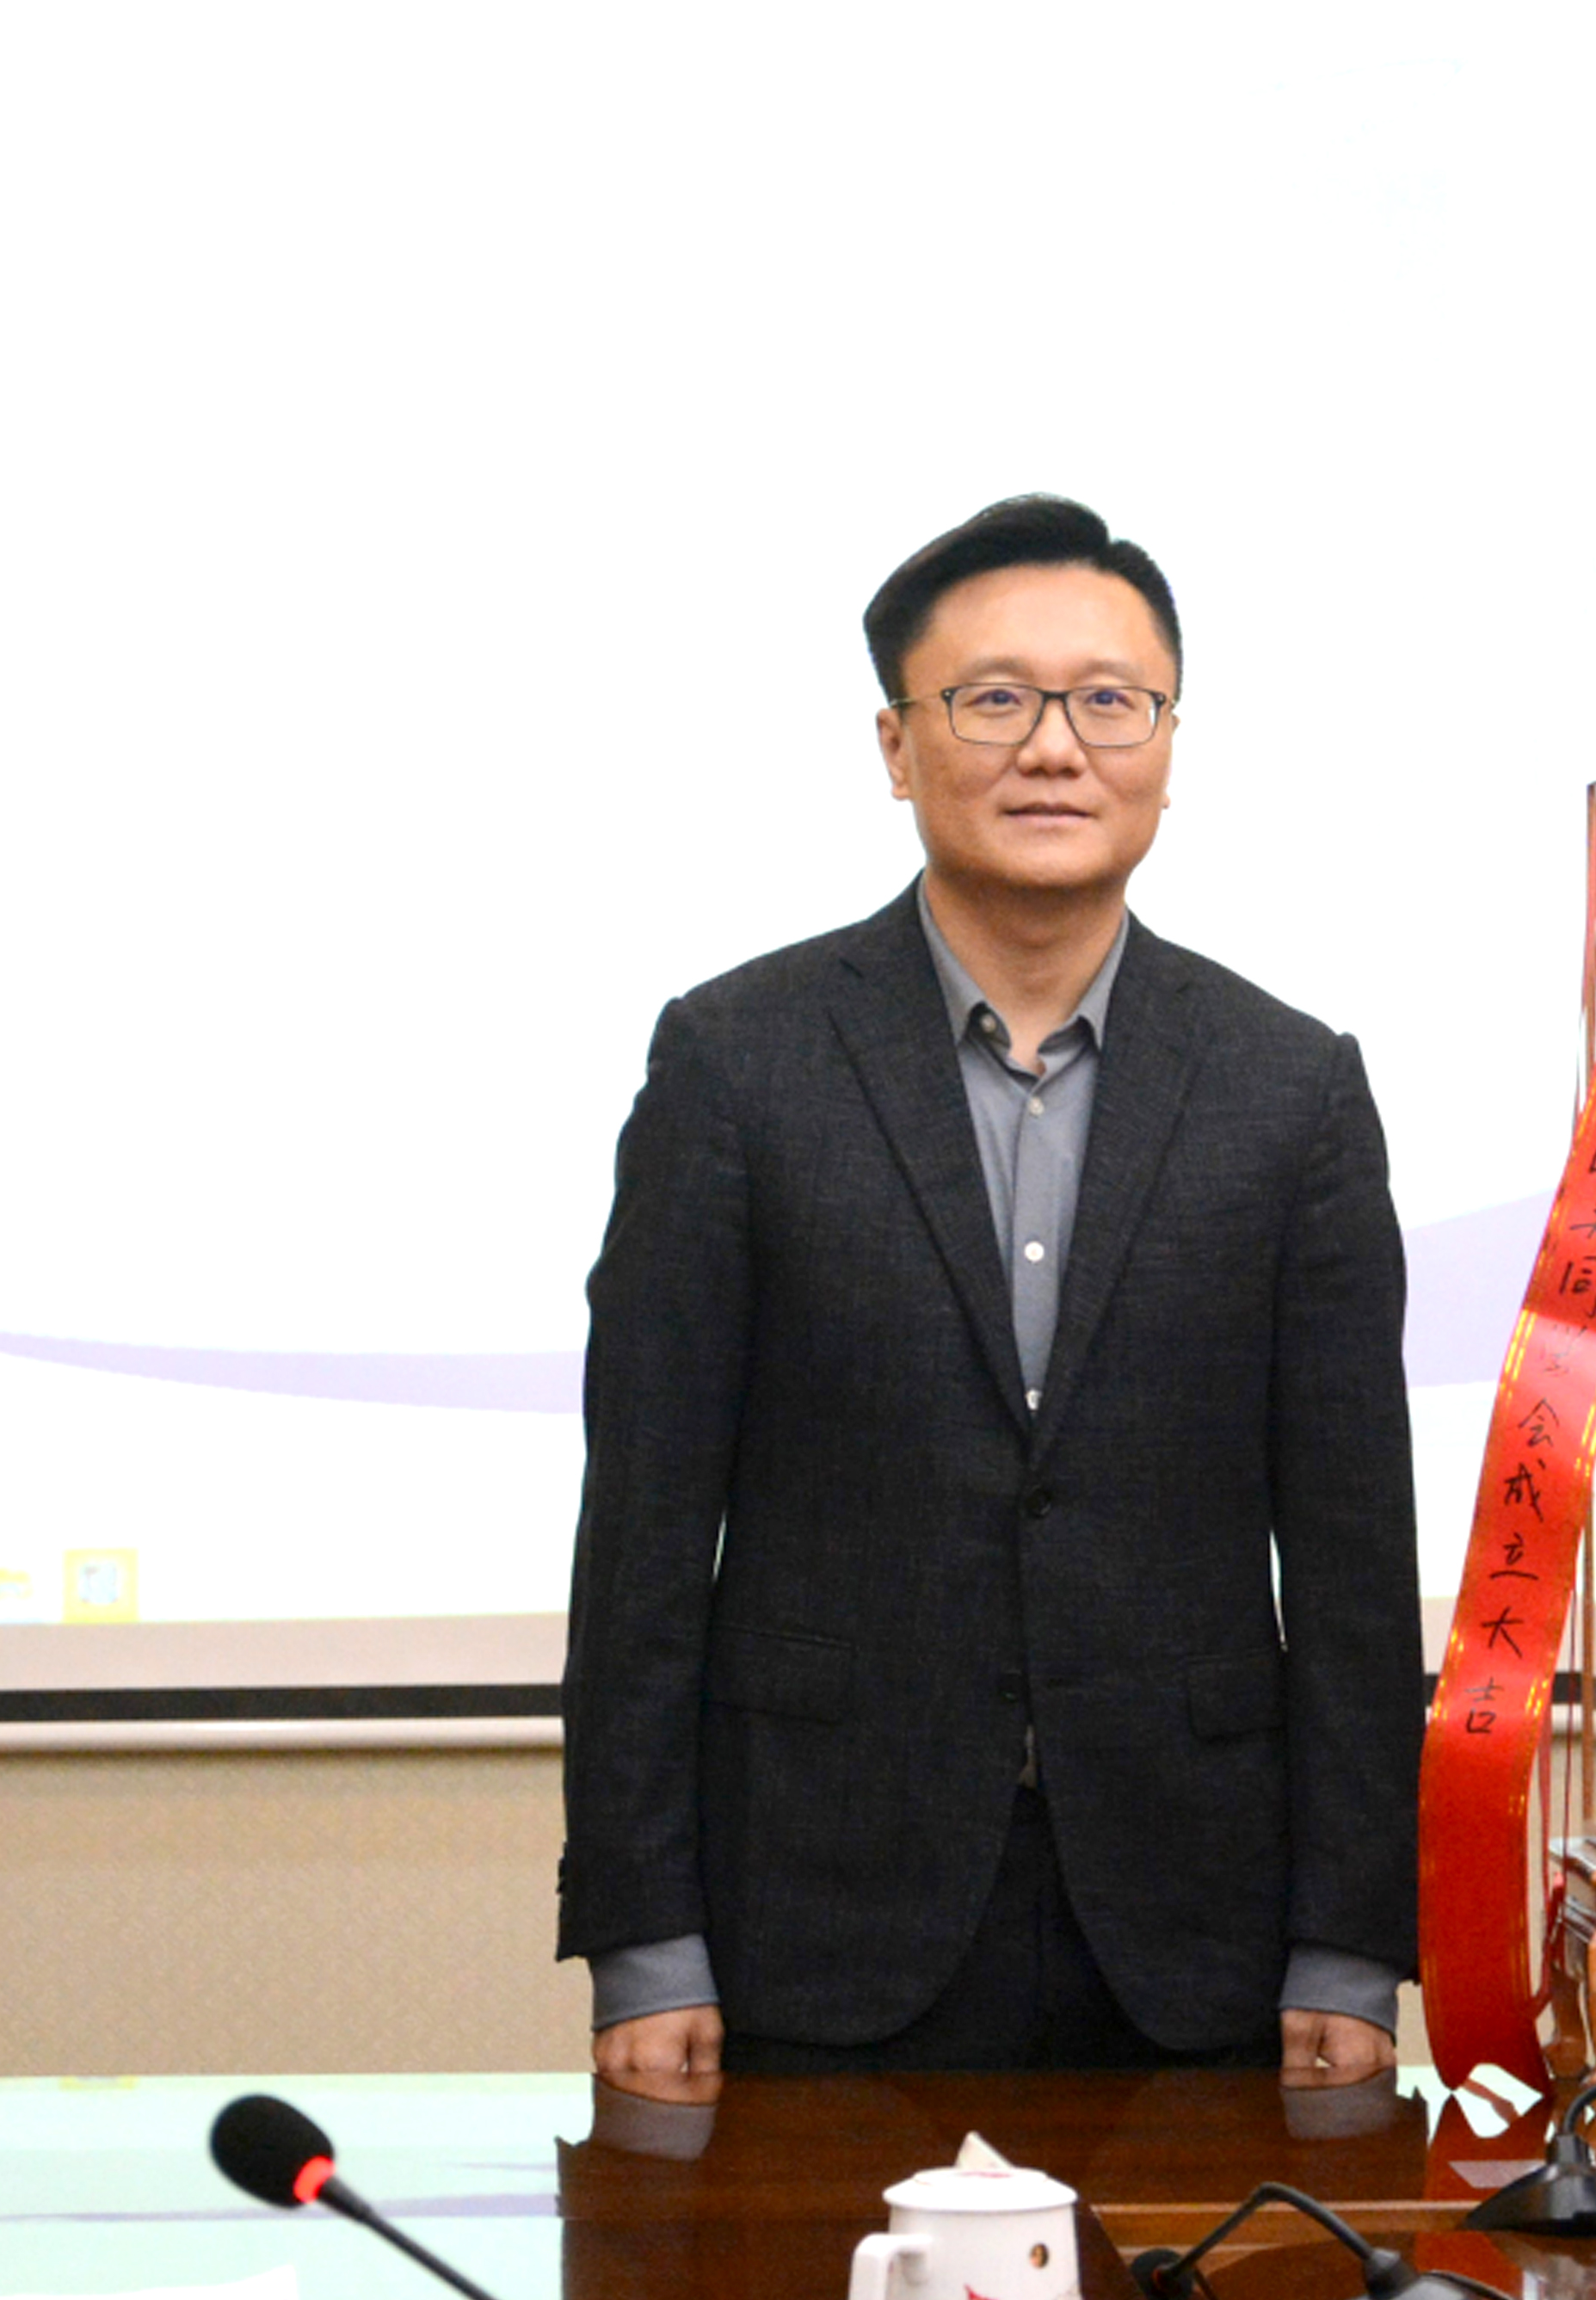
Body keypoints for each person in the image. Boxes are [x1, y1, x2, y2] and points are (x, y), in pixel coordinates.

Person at [558, 495, 1421, 2086]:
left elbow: (1354, 1557)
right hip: (811, 1914)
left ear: (1168, 741)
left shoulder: (1289, 1087)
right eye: (996, 699)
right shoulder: (735, 1064)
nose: (1055, 748)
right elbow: (643, 1538)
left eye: (1110, 700)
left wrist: (1351, 1940)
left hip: (1200, 1931)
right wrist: (643, 1935)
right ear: (896, 745)